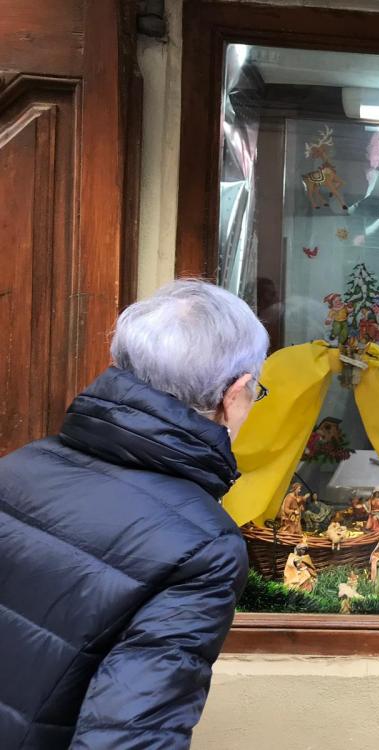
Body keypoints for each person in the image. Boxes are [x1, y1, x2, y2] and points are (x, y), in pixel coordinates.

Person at [0, 279, 268, 748]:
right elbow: (129, 736)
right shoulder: (205, 546)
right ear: (234, 393)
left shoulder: (17, 467)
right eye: (255, 392)